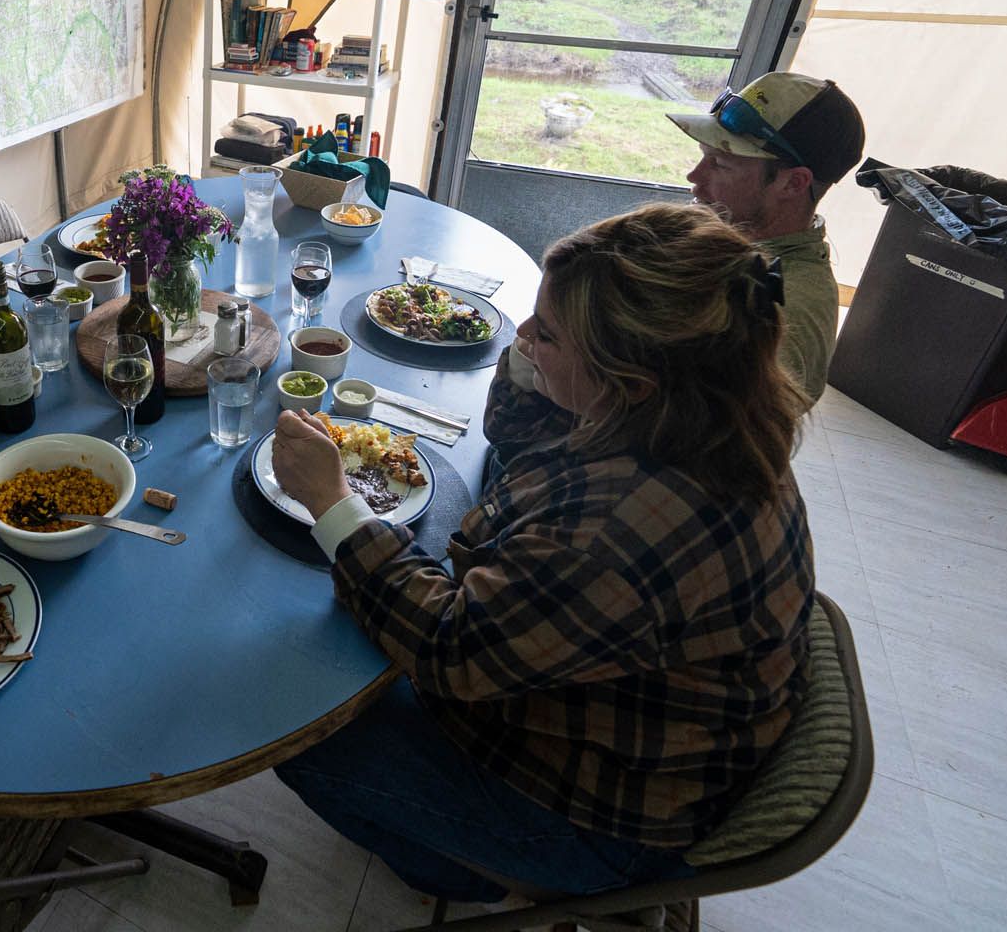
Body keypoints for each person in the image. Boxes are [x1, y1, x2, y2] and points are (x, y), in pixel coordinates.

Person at [269, 203, 814, 903]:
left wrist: (332, 505)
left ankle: (459, 873)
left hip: (599, 822)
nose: (521, 336)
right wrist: (537, 367)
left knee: (304, 729)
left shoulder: (618, 524)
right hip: (643, 725)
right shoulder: (700, 409)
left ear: (631, 382)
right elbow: (516, 443)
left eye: (547, 333)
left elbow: (446, 653)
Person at [670, 70, 865, 402]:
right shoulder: (728, 237)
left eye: (719, 163)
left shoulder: (786, 314)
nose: (694, 177)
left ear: (792, 184)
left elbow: (701, 437)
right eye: (703, 156)